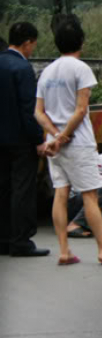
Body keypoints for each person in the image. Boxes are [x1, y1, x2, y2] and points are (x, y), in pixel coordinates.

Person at [35, 21, 102, 265]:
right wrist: (63, 137)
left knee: (60, 193)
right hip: (77, 142)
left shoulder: (46, 72)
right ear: (81, 42)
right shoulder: (81, 69)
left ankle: (64, 250)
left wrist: (54, 137)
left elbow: (38, 112)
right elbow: (80, 111)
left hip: (54, 145)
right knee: (91, 196)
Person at [0, 22, 50, 257]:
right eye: (33, 45)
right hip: (19, 141)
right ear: (27, 42)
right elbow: (28, 109)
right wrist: (38, 138)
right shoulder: (22, 68)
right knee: (22, 189)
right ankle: (21, 241)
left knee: (3, 187)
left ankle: (3, 239)